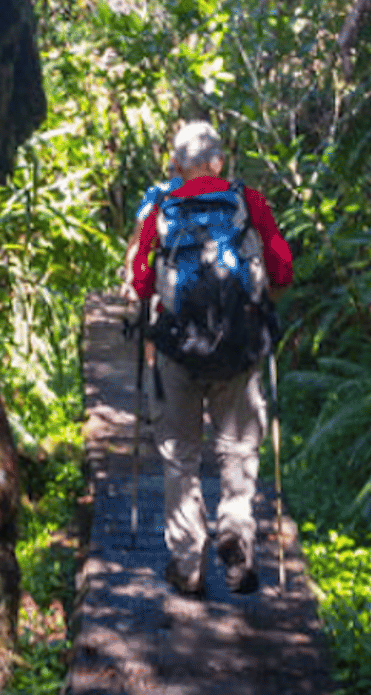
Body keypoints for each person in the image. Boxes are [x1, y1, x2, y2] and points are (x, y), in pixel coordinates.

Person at [128, 120, 293, 596]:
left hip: (179, 347)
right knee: (239, 447)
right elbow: (282, 264)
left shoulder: (161, 204)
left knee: (179, 454)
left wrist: (152, 301)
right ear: (220, 161)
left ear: (176, 165)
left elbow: (141, 279)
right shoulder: (249, 201)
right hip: (239, 345)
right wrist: (262, 308)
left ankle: (187, 563)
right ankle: (236, 535)